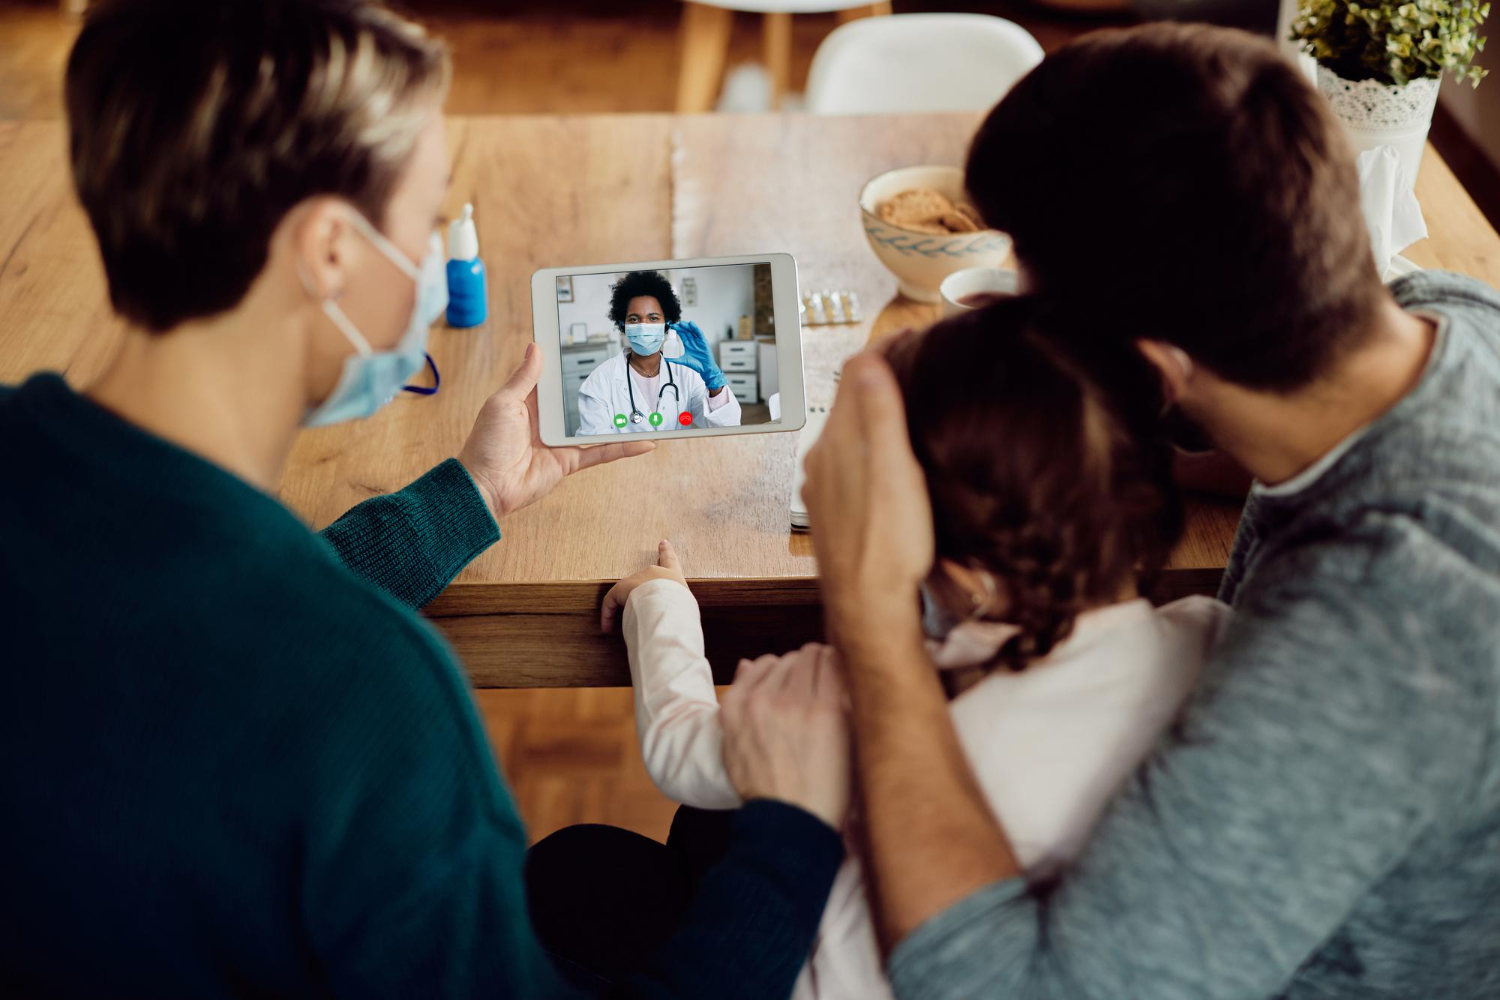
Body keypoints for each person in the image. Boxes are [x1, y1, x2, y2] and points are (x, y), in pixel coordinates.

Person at [0, 2, 845, 996]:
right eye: (430, 219)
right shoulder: (375, 704)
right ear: (329, 251)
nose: (440, 261)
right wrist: (795, 831)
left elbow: (192, 623)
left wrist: (468, 495)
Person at [789, 21, 1500, 1000]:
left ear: (1154, 367)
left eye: (1033, 300)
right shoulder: (1448, 315)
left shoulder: (1387, 617)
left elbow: (1019, 990)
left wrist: (870, 610)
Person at [584, 300, 1233, 1000]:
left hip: (806, 971)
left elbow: (681, 750)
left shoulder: (885, 714)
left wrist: (661, 602)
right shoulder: (1216, 638)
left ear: (958, 575)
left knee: (583, 866)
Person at [576, 270, 741, 434]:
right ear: (622, 324)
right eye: (634, 319)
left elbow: (727, 429)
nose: (643, 326)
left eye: (653, 318)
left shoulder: (687, 374)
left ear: (667, 323)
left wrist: (714, 380)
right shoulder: (599, 381)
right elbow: (594, 441)